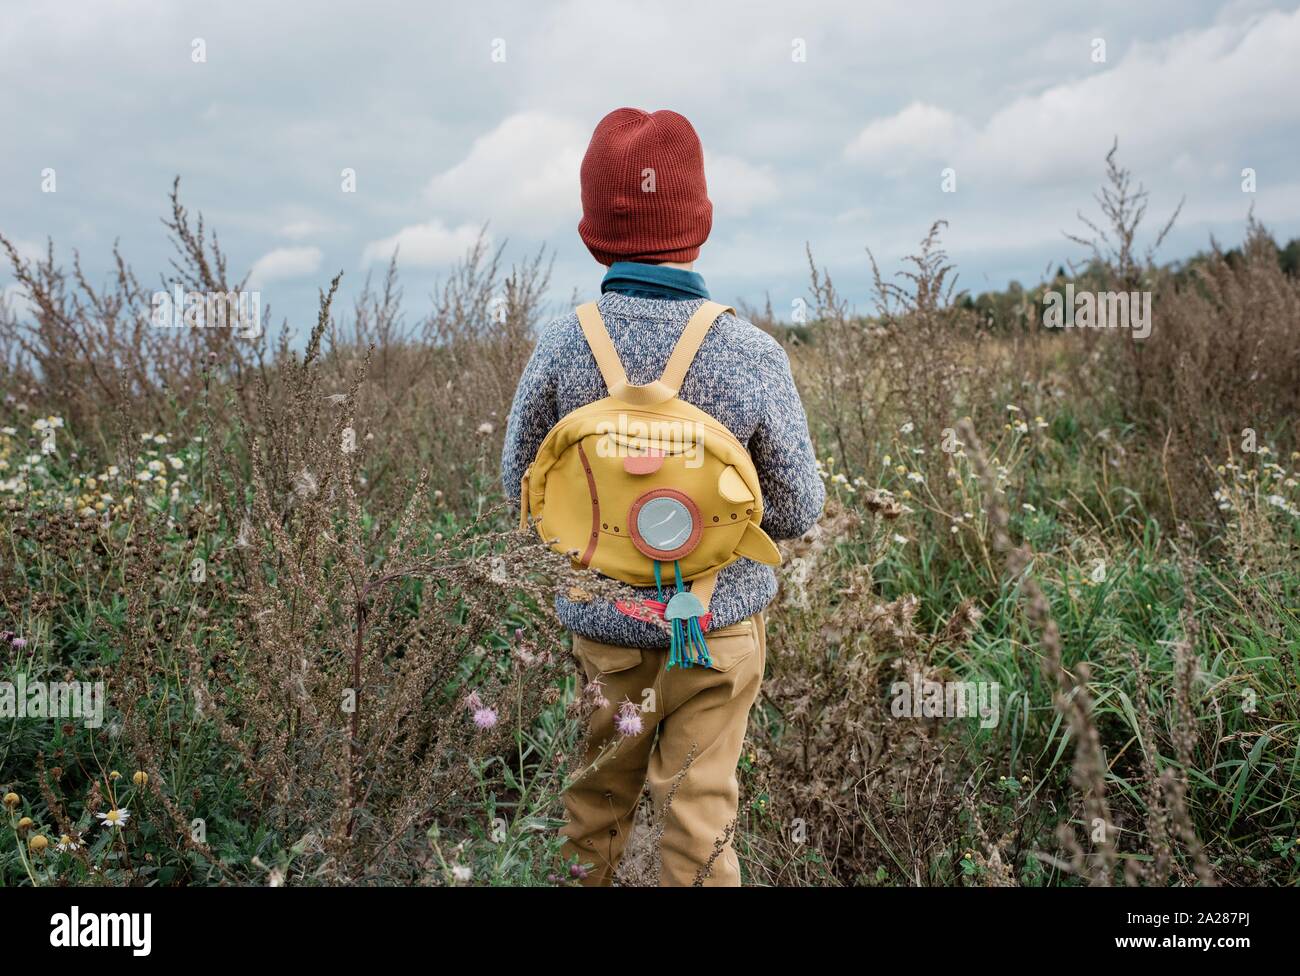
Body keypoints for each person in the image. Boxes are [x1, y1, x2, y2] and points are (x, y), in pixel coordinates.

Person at [501, 107, 824, 886]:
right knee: (699, 819)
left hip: (606, 632)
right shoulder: (751, 352)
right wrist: (706, 532)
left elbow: (522, 491)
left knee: (592, 811)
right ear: (701, 223)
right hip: (716, 633)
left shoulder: (561, 344)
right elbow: (798, 506)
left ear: (590, 232)